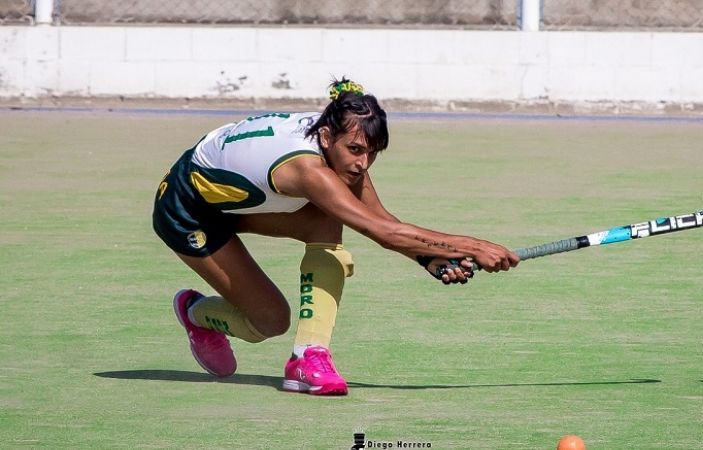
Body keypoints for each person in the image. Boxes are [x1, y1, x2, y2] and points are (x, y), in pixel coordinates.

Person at [152, 77, 519, 396]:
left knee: (325, 223)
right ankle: (196, 313)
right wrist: (475, 247)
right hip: (187, 211)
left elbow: (380, 220)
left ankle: (307, 357)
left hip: (236, 203)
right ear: (326, 137)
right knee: (269, 322)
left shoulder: (340, 140)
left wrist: (428, 257)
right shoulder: (308, 169)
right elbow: (384, 233)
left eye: (372, 153)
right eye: (356, 151)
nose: (363, 164)